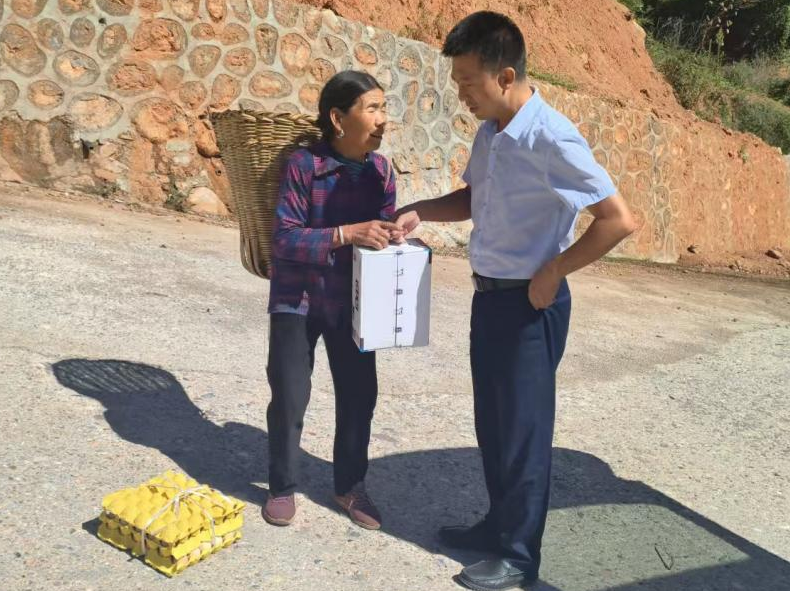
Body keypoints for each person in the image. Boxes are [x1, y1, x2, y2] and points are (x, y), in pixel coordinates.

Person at [394, 11, 639, 590]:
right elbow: (475, 198)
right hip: (489, 299)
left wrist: (555, 269)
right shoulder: (492, 133)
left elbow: (617, 219)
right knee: (495, 425)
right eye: (457, 83)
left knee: (524, 432)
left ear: (505, 76)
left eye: (468, 83)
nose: (462, 95)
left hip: (531, 305)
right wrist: (419, 211)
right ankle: (497, 528)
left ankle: (520, 558)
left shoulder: (552, 135)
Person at [262, 70, 405, 531]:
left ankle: (350, 486)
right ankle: (282, 486)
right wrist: (345, 234)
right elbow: (284, 239)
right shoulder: (304, 165)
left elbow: (380, 234)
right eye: (372, 108)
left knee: (360, 397)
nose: (382, 119)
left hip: (355, 301)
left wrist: (394, 237)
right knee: (290, 395)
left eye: (384, 108)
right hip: (297, 298)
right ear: (339, 119)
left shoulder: (382, 172)